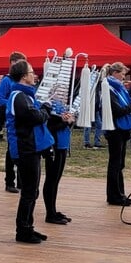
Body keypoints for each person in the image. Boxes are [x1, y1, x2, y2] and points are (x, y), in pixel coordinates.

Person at [5, 59, 53, 244]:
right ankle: (22, 231)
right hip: (25, 149)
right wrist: (46, 108)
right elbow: (34, 117)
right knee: (28, 191)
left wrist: (43, 108)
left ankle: (28, 227)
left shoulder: (26, 95)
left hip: (31, 147)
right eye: (32, 72)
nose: (35, 75)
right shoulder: (18, 96)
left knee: (32, 191)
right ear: (24, 76)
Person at [104, 62, 131, 203]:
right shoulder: (109, 88)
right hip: (114, 130)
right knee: (115, 163)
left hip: (122, 129)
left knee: (120, 163)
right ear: (114, 73)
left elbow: (127, 105)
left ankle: (120, 194)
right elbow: (118, 110)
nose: (123, 77)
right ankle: (113, 196)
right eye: (122, 74)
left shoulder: (119, 89)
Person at [0, 52, 27, 193]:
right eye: (20, 63)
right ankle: (9, 181)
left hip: (25, 120)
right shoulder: (7, 81)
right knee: (11, 151)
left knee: (24, 151)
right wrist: (15, 104)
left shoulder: (23, 80)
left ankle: (21, 181)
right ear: (13, 63)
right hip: (13, 120)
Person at [43, 93, 75, 225]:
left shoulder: (62, 107)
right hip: (54, 146)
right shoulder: (49, 108)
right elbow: (49, 127)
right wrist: (64, 121)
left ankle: (53, 210)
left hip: (62, 145)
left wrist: (70, 121)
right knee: (51, 179)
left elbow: (66, 125)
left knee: (56, 179)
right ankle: (50, 213)